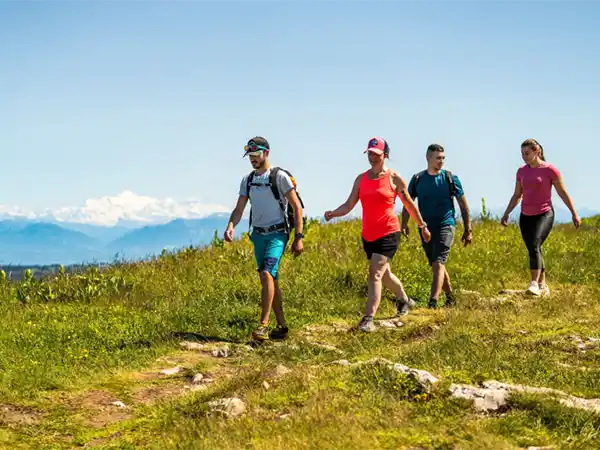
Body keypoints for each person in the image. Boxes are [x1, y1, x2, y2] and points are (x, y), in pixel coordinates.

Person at [324, 137, 431, 332]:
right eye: (370, 154)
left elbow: (408, 203)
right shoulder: (361, 179)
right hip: (369, 235)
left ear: (385, 155)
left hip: (389, 232)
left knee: (375, 274)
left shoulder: (394, 178)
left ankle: (368, 320)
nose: (372, 157)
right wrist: (333, 213)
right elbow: (349, 205)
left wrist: (422, 225)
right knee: (385, 275)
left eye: (376, 154)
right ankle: (405, 300)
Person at [224, 137, 304, 341]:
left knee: (266, 274)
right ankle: (282, 326)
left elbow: (297, 207)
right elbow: (239, 207)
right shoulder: (248, 180)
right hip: (258, 235)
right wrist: (231, 226)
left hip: (278, 233)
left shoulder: (280, 177)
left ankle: (263, 325)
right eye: (250, 156)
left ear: (266, 153)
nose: (252, 160)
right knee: (271, 279)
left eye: (256, 155)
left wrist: (298, 237)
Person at [500, 138, 580, 296]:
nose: (524, 156)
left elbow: (562, 192)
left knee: (535, 243)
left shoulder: (550, 170)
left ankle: (534, 284)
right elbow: (517, 194)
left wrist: (574, 213)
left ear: (537, 151)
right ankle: (543, 286)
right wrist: (507, 212)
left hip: (544, 213)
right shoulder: (522, 171)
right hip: (526, 215)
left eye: (527, 153)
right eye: (522, 154)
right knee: (533, 248)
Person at [401, 144, 472, 309]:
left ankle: (432, 302)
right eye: (437, 158)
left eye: (443, 158)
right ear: (428, 158)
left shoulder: (450, 178)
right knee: (436, 263)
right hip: (425, 227)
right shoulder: (418, 179)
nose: (441, 161)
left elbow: (463, 205)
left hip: (446, 225)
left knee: (438, 262)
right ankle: (450, 298)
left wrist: (468, 229)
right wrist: (404, 224)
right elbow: (408, 203)